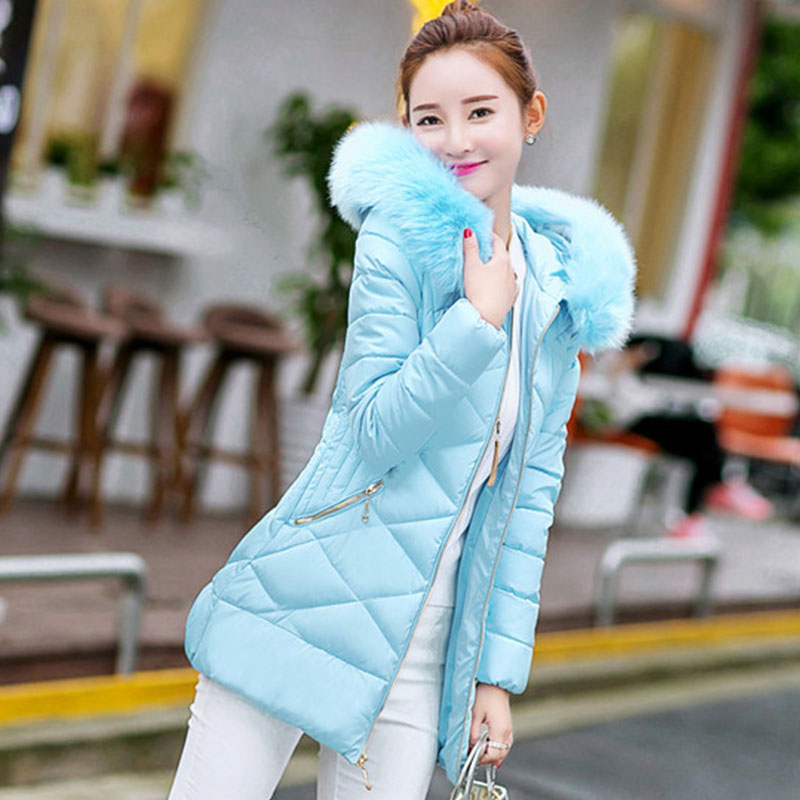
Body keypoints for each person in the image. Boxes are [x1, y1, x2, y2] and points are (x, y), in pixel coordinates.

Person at [167, 3, 636, 798]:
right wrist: (474, 323)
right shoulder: (398, 244)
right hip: (301, 605)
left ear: (531, 117)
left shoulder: (557, 298)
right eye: (429, 119)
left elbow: (527, 500)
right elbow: (373, 431)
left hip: (418, 659)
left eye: (480, 113)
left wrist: (494, 676)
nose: (455, 140)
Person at [582, 336, 774, 538]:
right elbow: (598, 393)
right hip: (619, 419)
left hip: (639, 414)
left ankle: (705, 501)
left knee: (702, 438)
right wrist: (622, 366)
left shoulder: (643, 360)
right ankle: (713, 493)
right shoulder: (605, 357)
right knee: (702, 434)